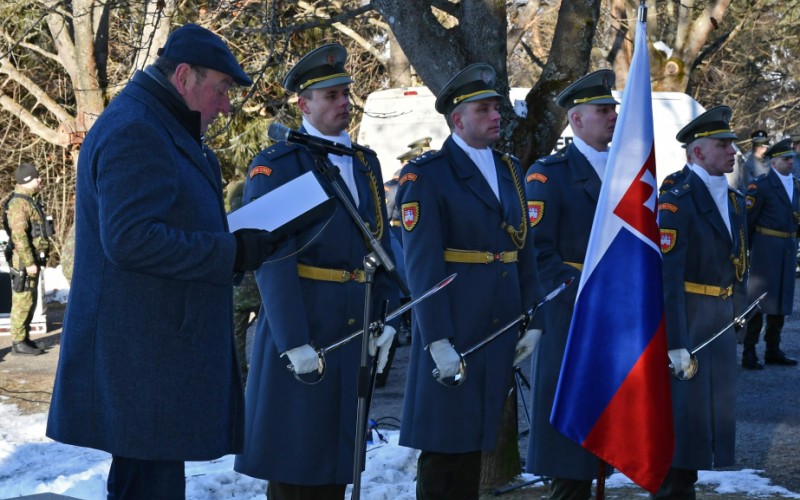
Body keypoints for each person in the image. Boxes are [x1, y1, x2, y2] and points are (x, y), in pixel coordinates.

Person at [46, 23, 280, 499]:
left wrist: (232, 235)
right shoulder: (138, 129)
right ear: (183, 76)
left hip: (152, 356)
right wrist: (231, 251)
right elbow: (131, 240)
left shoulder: (156, 123)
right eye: (221, 89)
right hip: (143, 359)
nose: (226, 105)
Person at [234, 43, 397, 499]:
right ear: (303, 105)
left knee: (335, 459)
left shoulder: (366, 163)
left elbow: (378, 242)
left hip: (352, 321)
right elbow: (272, 255)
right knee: (295, 459)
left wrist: (385, 318)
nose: (343, 101)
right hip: (305, 323)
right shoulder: (279, 164)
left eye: (345, 92)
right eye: (330, 95)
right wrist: (293, 340)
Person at [396, 63, 542, 499]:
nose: (497, 115)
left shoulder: (511, 169)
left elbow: (524, 247)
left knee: (476, 439)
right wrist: (436, 337)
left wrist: (534, 317)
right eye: (484, 109)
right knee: (443, 445)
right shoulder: (428, 174)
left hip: (497, 321)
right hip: (456, 321)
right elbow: (421, 263)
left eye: (496, 107)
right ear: (458, 120)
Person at [524, 69, 617, 499]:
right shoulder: (550, 175)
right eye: (603, 111)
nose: (613, 116)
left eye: (613, 109)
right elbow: (540, 253)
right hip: (572, 312)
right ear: (577, 120)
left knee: (606, 425)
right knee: (571, 440)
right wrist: (586, 285)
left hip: (617, 312)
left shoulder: (626, 172)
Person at [656, 105, 747, 499]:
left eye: (731, 143)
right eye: (722, 144)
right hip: (690, 318)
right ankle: (671, 491)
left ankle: (684, 486)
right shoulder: (677, 199)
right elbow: (668, 277)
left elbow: (738, 260)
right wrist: (675, 340)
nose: (732, 151)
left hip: (719, 318)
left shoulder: (734, 199)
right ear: (697, 152)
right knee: (681, 419)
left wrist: (738, 310)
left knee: (707, 421)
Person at [742, 138, 799, 368]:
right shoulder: (761, 186)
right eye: (786, 159)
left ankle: (772, 349)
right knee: (758, 300)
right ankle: (749, 351)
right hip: (766, 247)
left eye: (791, 159)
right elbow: (748, 219)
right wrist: (750, 249)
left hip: (787, 247)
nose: (790, 163)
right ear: (774, 162)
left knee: (782, 299)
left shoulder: (796, 185)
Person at [3, 162, 52, 356]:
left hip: (31, 259)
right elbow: (19, 237)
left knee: (30, 300)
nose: (40, 179)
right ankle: (17, 342)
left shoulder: (30, 200)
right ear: (26, 181)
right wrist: (29, 262)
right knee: (22, 300)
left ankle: (24, 338)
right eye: (36, 177)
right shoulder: (18, 204)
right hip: (23, 261)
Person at [227, 179, 262, 382]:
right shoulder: (256, 220)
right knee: (266, 334)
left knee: (237, 337)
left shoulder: (226, 221)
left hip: (237, 291)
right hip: (259, 289)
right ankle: (263, 373)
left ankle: (241, 375)